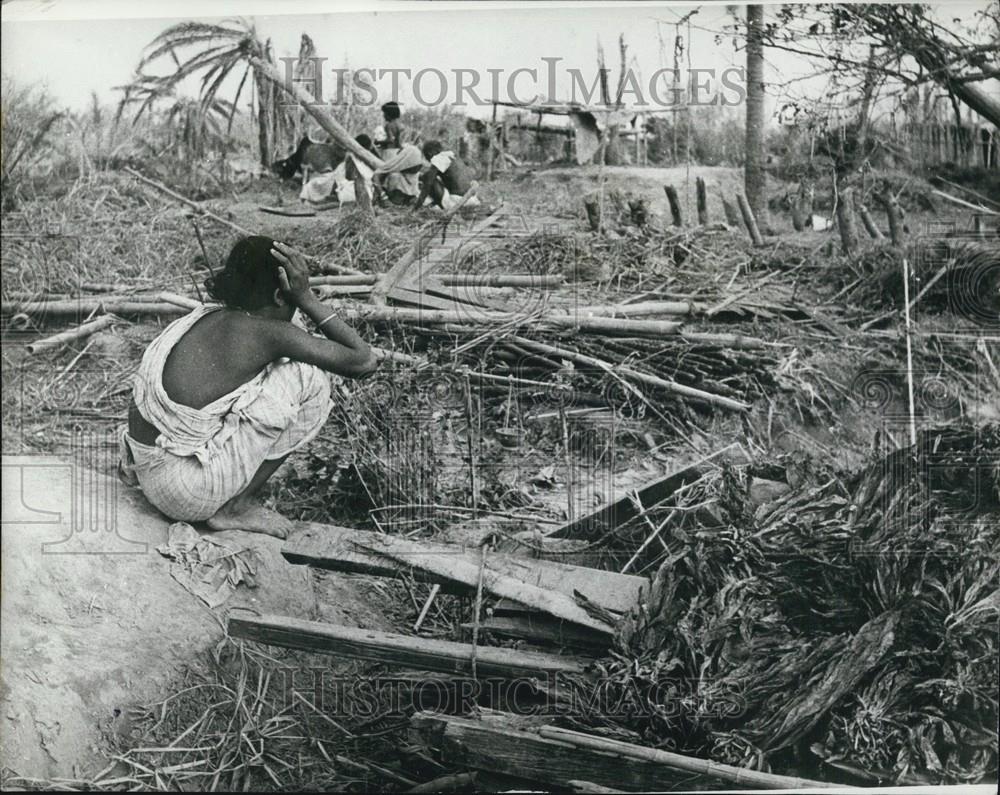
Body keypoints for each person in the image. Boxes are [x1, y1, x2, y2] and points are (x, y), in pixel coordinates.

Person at [119, 236, 377, 538]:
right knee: (309, 377)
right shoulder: (270, 333)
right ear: (282, 297)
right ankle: (235, 506)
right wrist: (307, 298)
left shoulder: (205, 317)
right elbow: (364, 362)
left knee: (274, 374)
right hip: (185, 494)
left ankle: (227, 494)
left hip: (146, 470)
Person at [413, 140, 480, 212]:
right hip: (471, 199)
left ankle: (440, 205)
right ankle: (437, 203)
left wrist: (416, 208)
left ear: (429, 153)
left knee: (428, 177)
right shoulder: (452, 155)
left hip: (458, 202)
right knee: (430, 176)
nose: (428, 160)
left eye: (426, 156)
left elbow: (428, 184)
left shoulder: (438, 159)